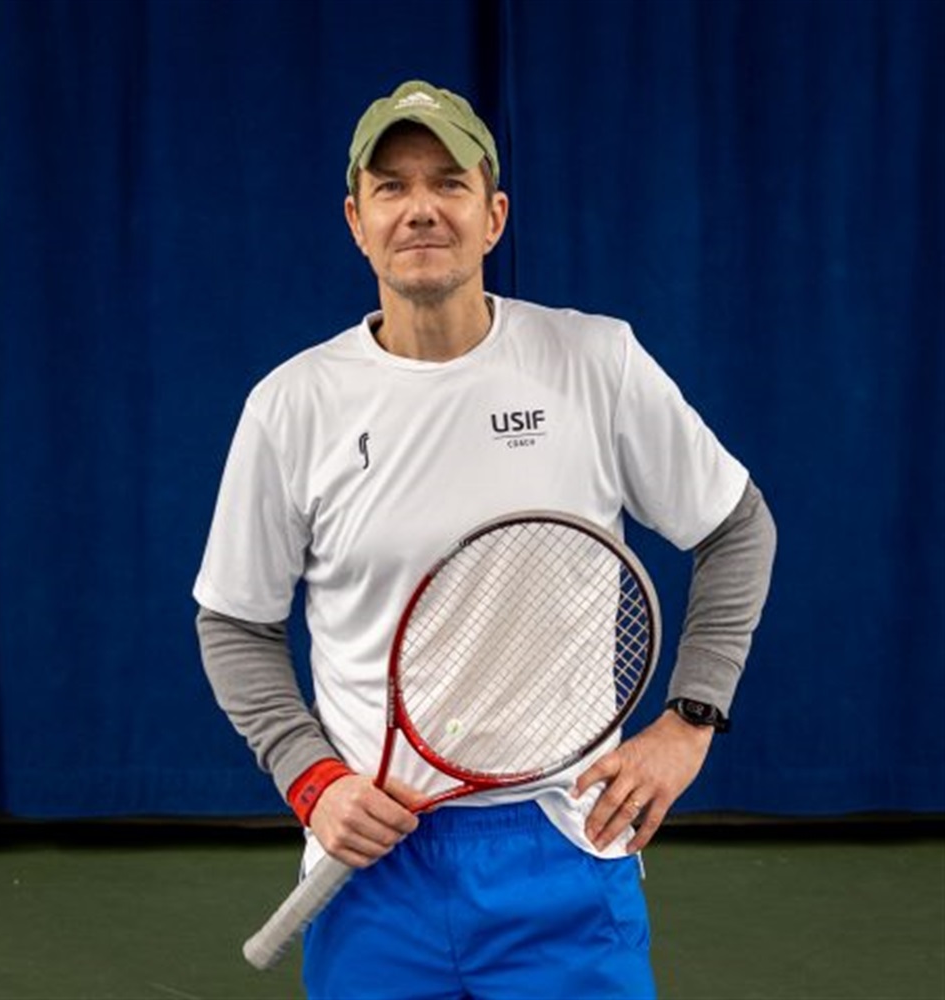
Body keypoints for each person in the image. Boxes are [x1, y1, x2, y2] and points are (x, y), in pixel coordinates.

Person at [194, 79, 776, 1000]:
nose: (421, 208)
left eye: (449, 183)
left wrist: (690, 720)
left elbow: (738, 527)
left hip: (567, 842)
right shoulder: (291, 404)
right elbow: (233, 622)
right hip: (370, 858)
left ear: (493, 215)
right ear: (356, 221)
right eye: (391, 186)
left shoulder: (596, 361)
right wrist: (313, 780)